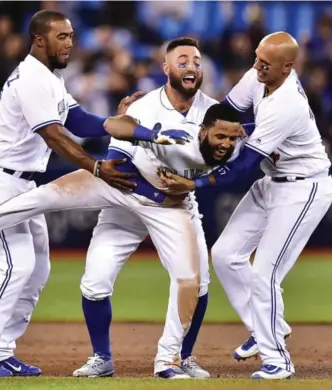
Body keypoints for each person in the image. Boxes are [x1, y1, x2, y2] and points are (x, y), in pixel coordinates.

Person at [0, 9, 167, 378]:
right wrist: (94, 165)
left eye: (71, 36)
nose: (70, 43)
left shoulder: (50, 79)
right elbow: (55, 135)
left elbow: (80, 120)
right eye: (62, 37)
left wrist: (130, 128)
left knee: (38, 268)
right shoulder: (32, 78)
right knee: (16, 265)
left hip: (21, 181)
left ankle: (1, 348)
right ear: (40, 40)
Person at [0, 103, 243, 378]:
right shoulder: (177, 134)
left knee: (191, 281)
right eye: (220, 137)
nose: (226, 143)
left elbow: (236, 168)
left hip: (169, 207)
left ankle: (170, 360)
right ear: (204, 130)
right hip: (121, 185)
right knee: (42, 197)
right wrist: (129, 126)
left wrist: (196, 182)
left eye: (232, 137)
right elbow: (119, 141)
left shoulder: (235, 144)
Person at [159, 32, 332, 380]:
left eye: (265, 63)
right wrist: (167, 104)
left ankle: (278, 360)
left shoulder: (287, 104)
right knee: (225, 254)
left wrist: (194, 183)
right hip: (273, 182)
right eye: (256, 57)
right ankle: (264, 326)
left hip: (304, 188)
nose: (256, 66)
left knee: (264, 275)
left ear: (288, 67)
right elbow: (221, 111)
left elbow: (241, 167)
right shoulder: (259, 76)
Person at [72, 37, 230, 379]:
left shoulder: (215, 112)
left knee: (198, 282)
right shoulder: (142, 107)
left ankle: (182, 357)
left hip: (176, 207)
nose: (191, 66)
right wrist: (152, 190)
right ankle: (101, 358)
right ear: (167, 68)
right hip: (128, 201)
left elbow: (232, 161)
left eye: (197, 61)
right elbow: (116, 161)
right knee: (94, 282)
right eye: (183, 60)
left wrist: (194, 183)